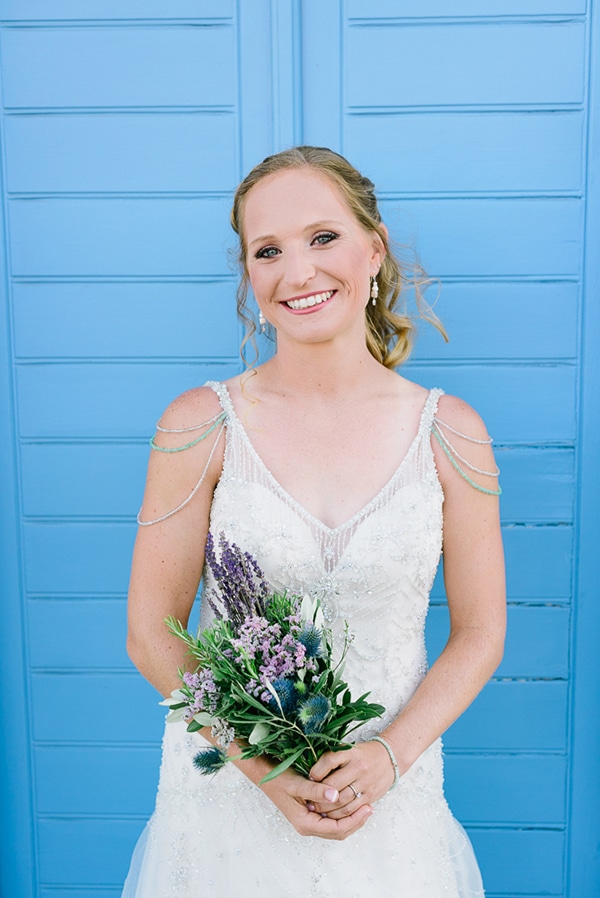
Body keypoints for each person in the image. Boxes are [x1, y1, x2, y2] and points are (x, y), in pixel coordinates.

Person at [122, 146, 506, 897]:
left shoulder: (452, 434)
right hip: (229, 808)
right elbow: (150, 632)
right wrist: (264, 772)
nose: (297, 272)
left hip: (389, 812)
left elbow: (482, 632)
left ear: (374, 248)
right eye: (268, 251)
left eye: (322, 238)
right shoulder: (201, 426)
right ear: (250, 277)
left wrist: (388, 758)